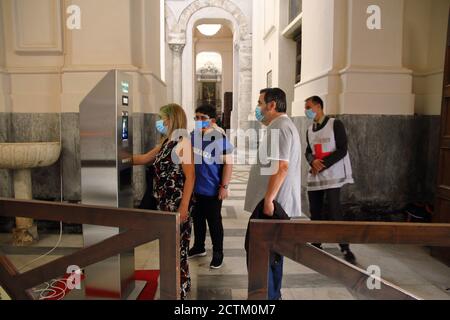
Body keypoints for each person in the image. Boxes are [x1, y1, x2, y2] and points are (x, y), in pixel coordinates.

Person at [132, 103, 195, 299]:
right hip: (164, 203)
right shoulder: (167, 142)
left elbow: (191, 176)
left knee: (177, 248)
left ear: (171, 119)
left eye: (162, 117)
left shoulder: (182, 142)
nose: (159, 121)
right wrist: (117, 157)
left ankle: (178, 289)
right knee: (171, 246)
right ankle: (181, 282)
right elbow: (142, 159)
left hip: (177, 204)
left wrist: (184, 206)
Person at [244, 88, 302, 300]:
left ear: (272, 105)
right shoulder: (279, 126)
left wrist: (269, 200)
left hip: (272, 204)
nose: (258, 108)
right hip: (270, 202)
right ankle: (272, 297)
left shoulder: (282, 127)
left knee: (260, 254)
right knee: (270, 254)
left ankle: (266, 298)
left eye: (260, 103)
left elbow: (282, 167)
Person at [304, 96, 356, 264]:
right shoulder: (309, 129)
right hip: (316, 175)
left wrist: (323, 164)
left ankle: (345, 247)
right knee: (315, 211)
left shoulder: (335, 124)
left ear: (319, 107)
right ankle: (316, 243)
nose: (307, 111)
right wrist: (312, 161)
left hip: (332, 175)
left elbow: (342, 149)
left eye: (309, 107)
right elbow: (308, 151)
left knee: (335, 211)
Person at [188, 104, 234, 269]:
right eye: (197, 117)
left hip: (213, 188)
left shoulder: (219, 138)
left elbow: (228, 164)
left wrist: (224, 186)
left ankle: (218, 253)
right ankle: (199, 246)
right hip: (196, 188)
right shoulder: (193, 136)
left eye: (203, 118)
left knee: (214, 222)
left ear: (212, 120)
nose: (199, 121)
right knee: (198, 219)